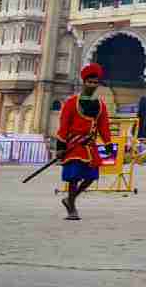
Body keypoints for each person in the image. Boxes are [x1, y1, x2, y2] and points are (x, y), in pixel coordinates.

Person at [56, 64, 112, 219]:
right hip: (73, 145)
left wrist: (108, 144)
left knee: (91, 177)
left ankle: (70, 199)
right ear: (84, 82)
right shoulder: (71, 102)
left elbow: (104, 126)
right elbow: (64, 124)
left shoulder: (100, 105)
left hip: (89, 146)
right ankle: (72, 209)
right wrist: (60, 146)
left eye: (95, 83)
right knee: (73, 178)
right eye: (90, 82)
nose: (93, 85)